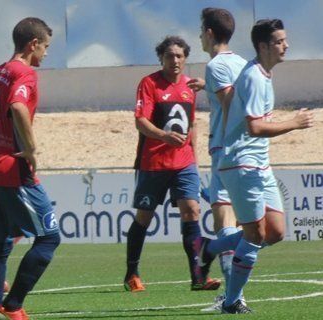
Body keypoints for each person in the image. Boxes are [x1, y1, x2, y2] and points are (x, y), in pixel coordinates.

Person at [198, 19, 314, 314]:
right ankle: (232, 301)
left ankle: (211, 247)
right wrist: (294, 123)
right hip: (240, 163)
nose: (285, 46)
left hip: (259, 164)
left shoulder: (263, 74)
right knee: (255, 235)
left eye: (285, 40)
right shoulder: (252, 76)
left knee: (275, 232)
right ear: (263, 46)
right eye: (279, 42)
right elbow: (254, 127)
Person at [0, 17, 61, 320]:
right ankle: (12, 305)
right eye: (46, 47)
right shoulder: (23, 73)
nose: (46, 54)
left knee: (0, 246)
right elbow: (19, 106)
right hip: (13, 170)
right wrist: (31, 149)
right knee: (50, 237)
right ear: (32, 44)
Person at [123, 36, 220, 293]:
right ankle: (132, 272)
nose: (175, 60)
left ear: (185, 58)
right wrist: (164, 136)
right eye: (169, 56)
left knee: (191, 210)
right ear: (161, 58)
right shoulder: (149, 84)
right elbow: (140, 121)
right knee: (144, 218)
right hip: (153, 163)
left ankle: (198, 277)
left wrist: (195, 157)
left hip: (184, 163)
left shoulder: (190, 87)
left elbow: (193, 123)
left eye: (179, 56)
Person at [189, 7, 248, 311]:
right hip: (249, 150)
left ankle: (231, 296)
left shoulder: (216, 66)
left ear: (210, 33)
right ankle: (233, 295)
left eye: (201, 30)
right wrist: (207, 87)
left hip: (225, 150)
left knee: (225, 219)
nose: (199, 36)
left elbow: (229, 106)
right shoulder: (242, 63)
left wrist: (228, 144)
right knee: (247, 223)